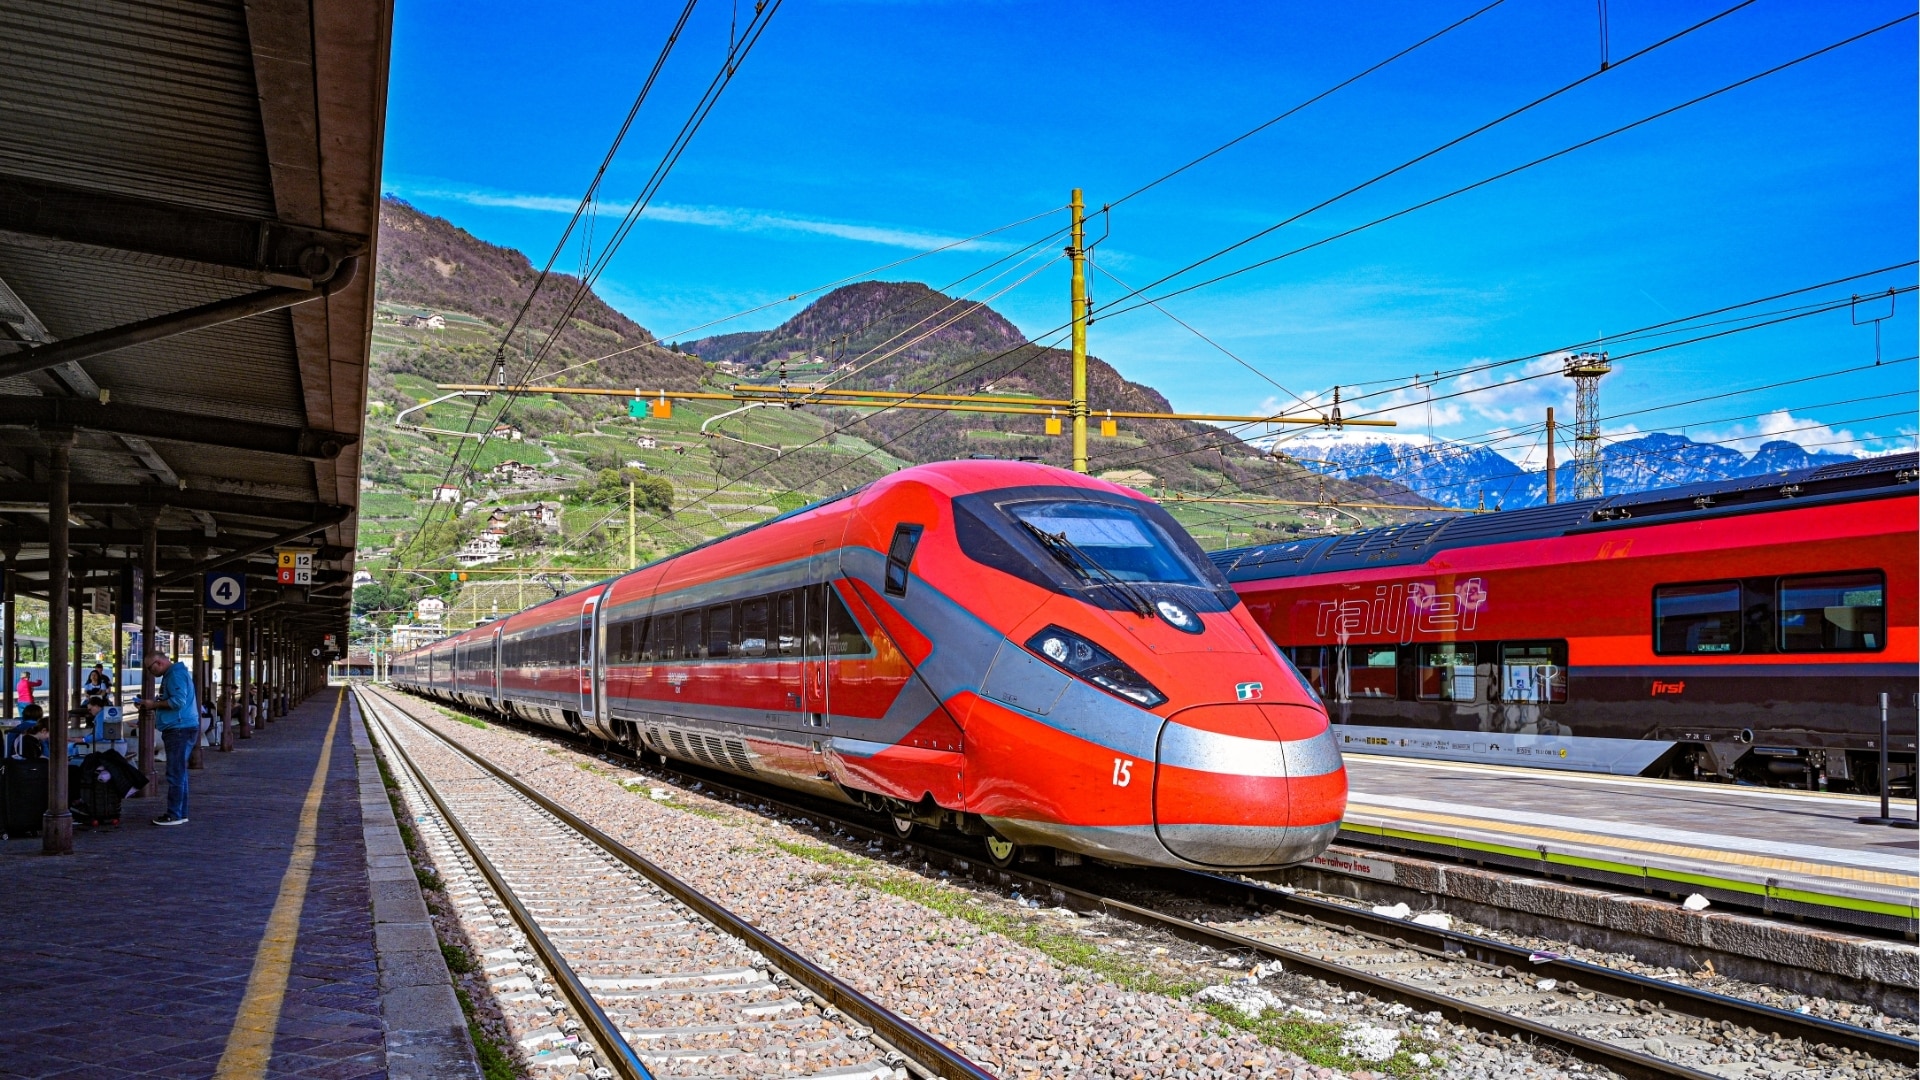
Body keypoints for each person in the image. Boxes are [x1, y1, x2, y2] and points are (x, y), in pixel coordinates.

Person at [134, 649, 198, 826]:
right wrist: (152, 704)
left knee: (175, 773)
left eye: (150, 668)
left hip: (179, 728)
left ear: (159, 663)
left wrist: (153, 704)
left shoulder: (175, 675)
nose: (149, 672)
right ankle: (180, 812)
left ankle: (174, 814)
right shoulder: (175, 674)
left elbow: (178, 702)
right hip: (182, 727)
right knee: (180, 773)